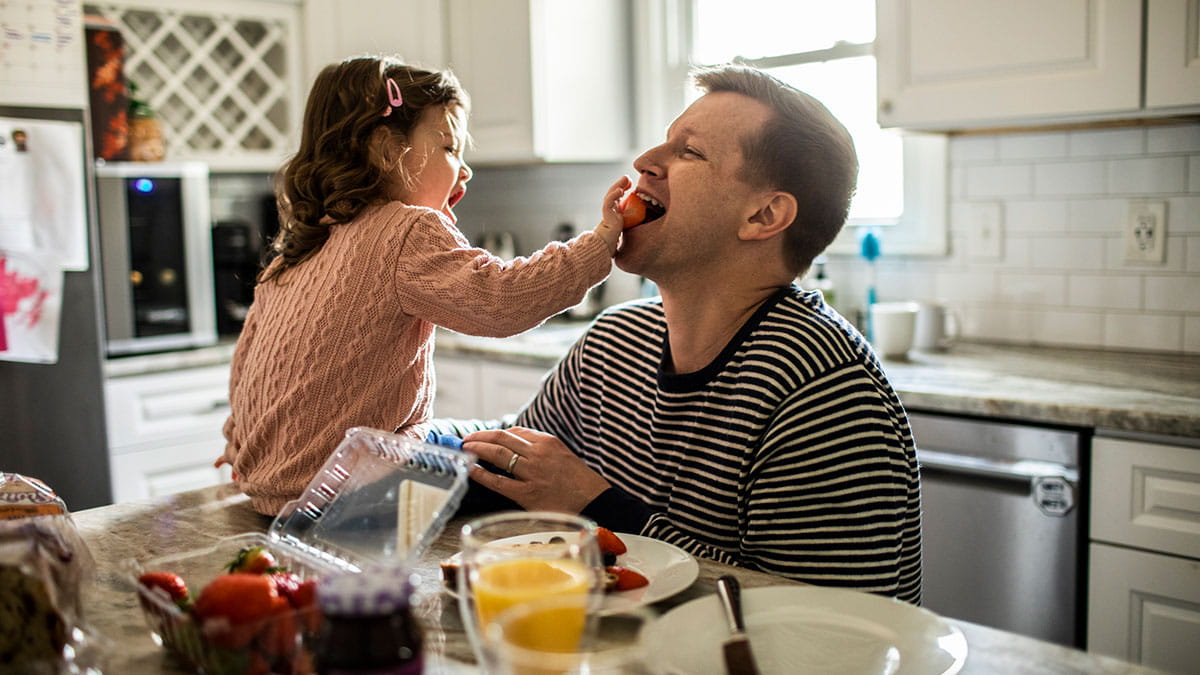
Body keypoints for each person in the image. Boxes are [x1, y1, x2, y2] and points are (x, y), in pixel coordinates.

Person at [445, 64, 922, 603]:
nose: (646, 162)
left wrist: (595, 505)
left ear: (764, 215)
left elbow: (815, 620)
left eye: (689, 152)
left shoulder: (824, 392)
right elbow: (517, 463)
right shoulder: (616, 341)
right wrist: (395, 440)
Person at [219, 56, 626, 515]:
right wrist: (600, 244)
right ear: (386, 149)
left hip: (273, 492)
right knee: (521, 471)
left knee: (464, 437)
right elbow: (500, 300)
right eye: (450, 148)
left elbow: (247, 370)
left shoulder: (294, 252)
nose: (465, 170)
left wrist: (243, 443)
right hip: (358, 490)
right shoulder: (405, 230)